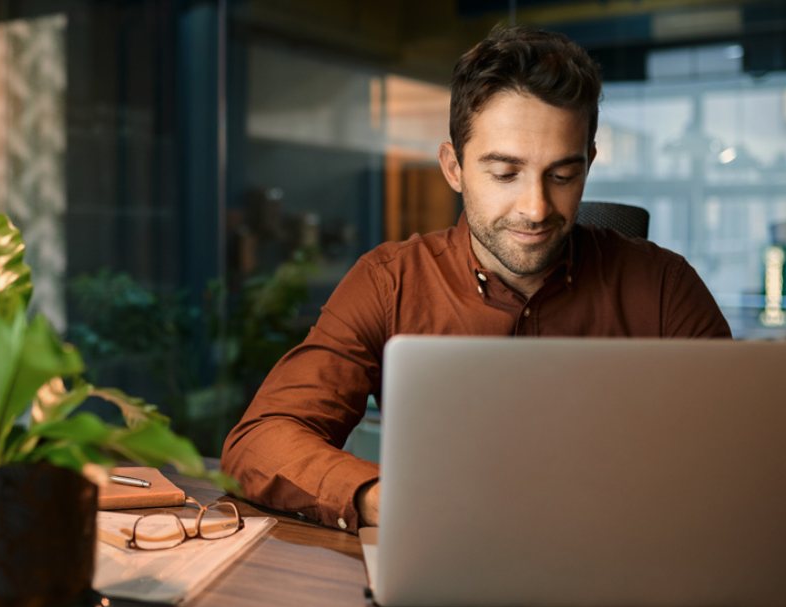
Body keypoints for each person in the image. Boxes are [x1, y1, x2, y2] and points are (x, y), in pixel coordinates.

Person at [222, 26, 731, 532]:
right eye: (505, 173)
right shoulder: (388, 283)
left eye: (562, 175)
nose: (535, 208)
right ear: (454, 167)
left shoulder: (665, 287)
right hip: (443, 559)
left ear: (588, 165)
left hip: (628, 559)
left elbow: (745, 453)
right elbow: (261, 440)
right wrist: (382, 499)